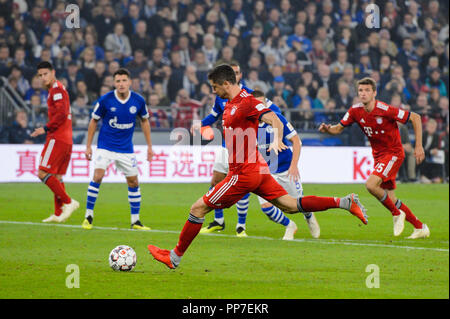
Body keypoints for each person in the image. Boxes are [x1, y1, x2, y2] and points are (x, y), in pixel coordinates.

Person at [148, 64, 367, 269]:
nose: (214, 92)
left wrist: (276, 139)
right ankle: (345, 202)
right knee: (290, 205)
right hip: (257, 169)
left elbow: (275, 120)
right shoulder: (232, 103)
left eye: (215, 87)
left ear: (226, 83)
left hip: (244, 173)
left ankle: (174, 257)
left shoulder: (247, 101)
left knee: (197, 208)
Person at [319, 77, 429, 239]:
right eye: (361, 91)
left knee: (371, 185)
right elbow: (338, 129)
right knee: (391, 198)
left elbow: (416, 118)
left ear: (374, 93)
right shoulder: (355, 111)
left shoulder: (385, 109)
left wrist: (418, 146)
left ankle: (396, 214)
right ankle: (420, 227)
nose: (363, 94)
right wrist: (328, 130)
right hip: (379, 156)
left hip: (393, 153)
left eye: (367, 90)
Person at [192, 63, 282, 237]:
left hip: (244, 150)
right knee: (215, 182)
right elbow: (214, 115)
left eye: (237, 72)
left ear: (239, 76)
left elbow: (271, 112)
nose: (235, 74)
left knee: (243, 186)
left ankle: (241, 225)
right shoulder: (220, 95)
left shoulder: (249, 95)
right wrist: (201, 124)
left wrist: (277, 133)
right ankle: (218, 221)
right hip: (226, 147)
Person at [82, 68, 154, 230]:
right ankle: (88, 216)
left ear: (130, 82)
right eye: (118, 81)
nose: (121, 84)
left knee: (134, 182)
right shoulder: (105, 100)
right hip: (105, 146)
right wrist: (88, 146)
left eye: (124, 81)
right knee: (98, 176)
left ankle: (135, 221)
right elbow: (93, 121)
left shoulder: (138, 100)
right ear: (114, 83)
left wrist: (149, 146)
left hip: (126, 148)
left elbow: (144, 121)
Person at [253, 90, 320, 239]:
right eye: (256, 104)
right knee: (266, 208)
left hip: (284, 168)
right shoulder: (248, 124)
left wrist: (294, 166)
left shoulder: (277, 119)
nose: (260, 107)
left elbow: (297, 141)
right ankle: (290, 225)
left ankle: (308, 216)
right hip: (265, 172)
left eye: (262, 104)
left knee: (297, 204)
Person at [30, 61, 79, 223]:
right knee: (57, 177)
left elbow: (62, 113)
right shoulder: (57, 88)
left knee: (42, 173)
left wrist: (45, 128)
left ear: (53, 72)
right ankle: (58, 214)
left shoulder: (57, 89)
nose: (43, 78)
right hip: (66, 138)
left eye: (45, 74)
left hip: (57, 137)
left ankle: (69, 202)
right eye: (40, 75)